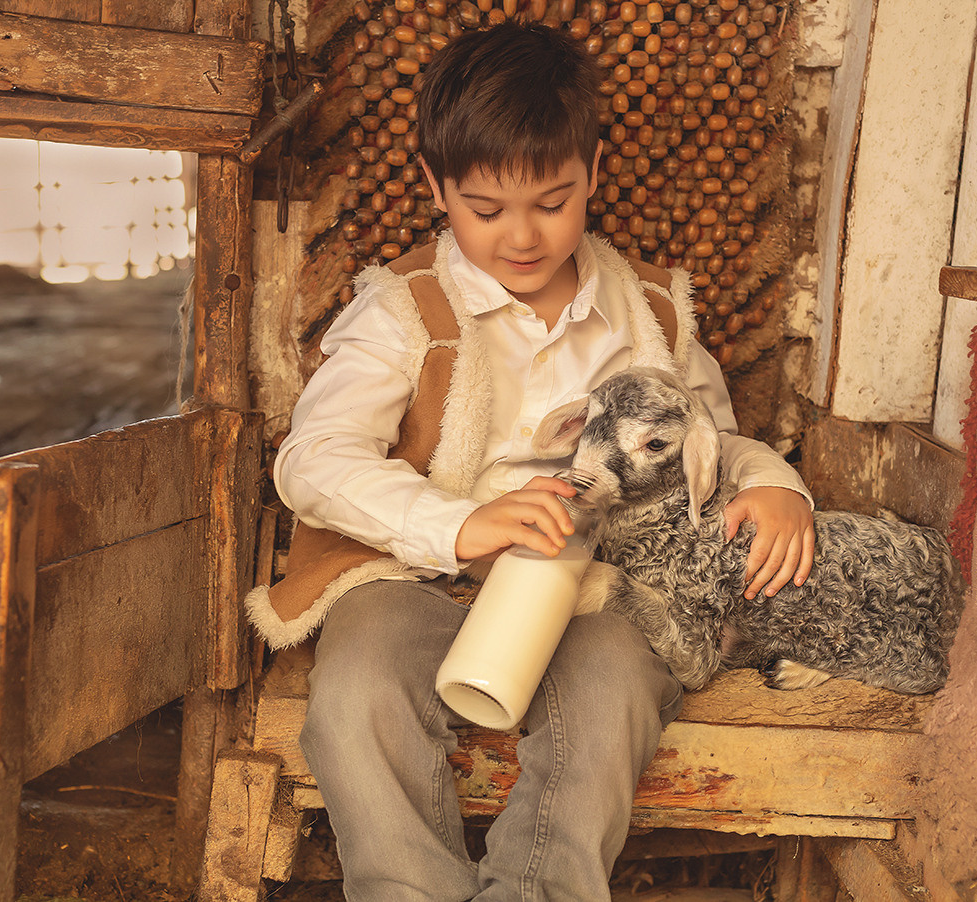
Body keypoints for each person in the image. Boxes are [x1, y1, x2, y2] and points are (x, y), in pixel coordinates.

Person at [245, 19, 815, 901]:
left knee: (616, 688)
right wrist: (458, 523)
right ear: (437, 187)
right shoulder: (403, 312)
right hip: (415, 578)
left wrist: (776, 486)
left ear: (592, 172)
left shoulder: (652, 317)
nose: (521, 236)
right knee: (357, 693)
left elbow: (709, 438)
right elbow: (312, 462)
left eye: (552, 202)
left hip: (595, 587)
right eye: (485, 210)